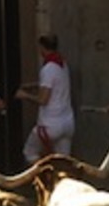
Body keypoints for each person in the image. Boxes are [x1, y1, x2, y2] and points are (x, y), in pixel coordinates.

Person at [16, 33, 75, 162]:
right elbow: (55, 84)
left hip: (50, 124)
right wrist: (34, 85)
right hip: (68, 122)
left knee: (29, 152)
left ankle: (45, 175)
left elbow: (43, 100)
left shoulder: (48, 68)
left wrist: (25, 95)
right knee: (64, 161)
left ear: (42, 48)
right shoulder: (63, 64)